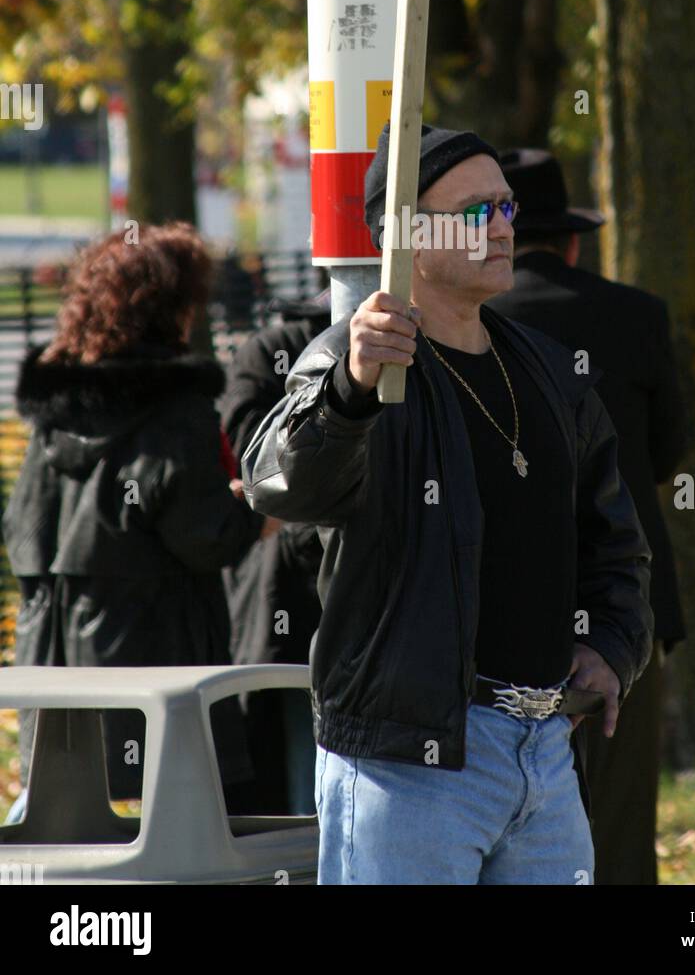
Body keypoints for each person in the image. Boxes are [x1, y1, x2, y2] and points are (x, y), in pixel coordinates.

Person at [243, 123, 654, 885]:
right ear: (407, 235)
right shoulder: (355, 359)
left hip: (544, 753)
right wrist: (349, 394)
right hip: (408, 760)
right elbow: (277, 482)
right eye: (475, 212)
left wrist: (611, 647)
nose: (502, 227)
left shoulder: (550, 370)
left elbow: (615, 539)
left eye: (504, 207)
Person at [1, 222, 276, 819]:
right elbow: (205, 537)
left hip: (52, 680)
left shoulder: (52, 412)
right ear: (170, 309)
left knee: (63, 842)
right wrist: (255, 511)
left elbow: (26, 530)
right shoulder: (178, 410)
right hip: (158, 676)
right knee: (181, 841)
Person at [489, 148, 687, 885]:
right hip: (624, 600)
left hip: (507, 612)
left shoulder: (474, 324)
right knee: (623, 819)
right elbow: (668, 452)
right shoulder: (637, 315)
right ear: (572, 240)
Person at [221, 294, 330, 814]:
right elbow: (259, 476)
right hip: (295, 592)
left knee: (301, 759)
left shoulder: (265, 350)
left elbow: (256, 474)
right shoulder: (273, 352)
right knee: (308, 760)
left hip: (288, 592)